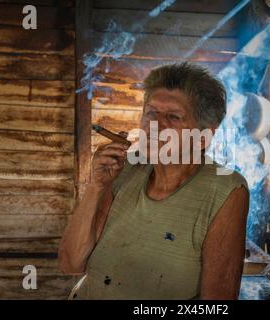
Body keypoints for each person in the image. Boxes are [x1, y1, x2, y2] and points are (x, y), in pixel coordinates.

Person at [58, 62, 250, 299]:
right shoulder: (124, 170)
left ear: (203, 137)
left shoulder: (226, 189)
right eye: (151, 113)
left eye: (173, 116)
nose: (155, 125)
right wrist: (96, 186)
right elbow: (71, 264)